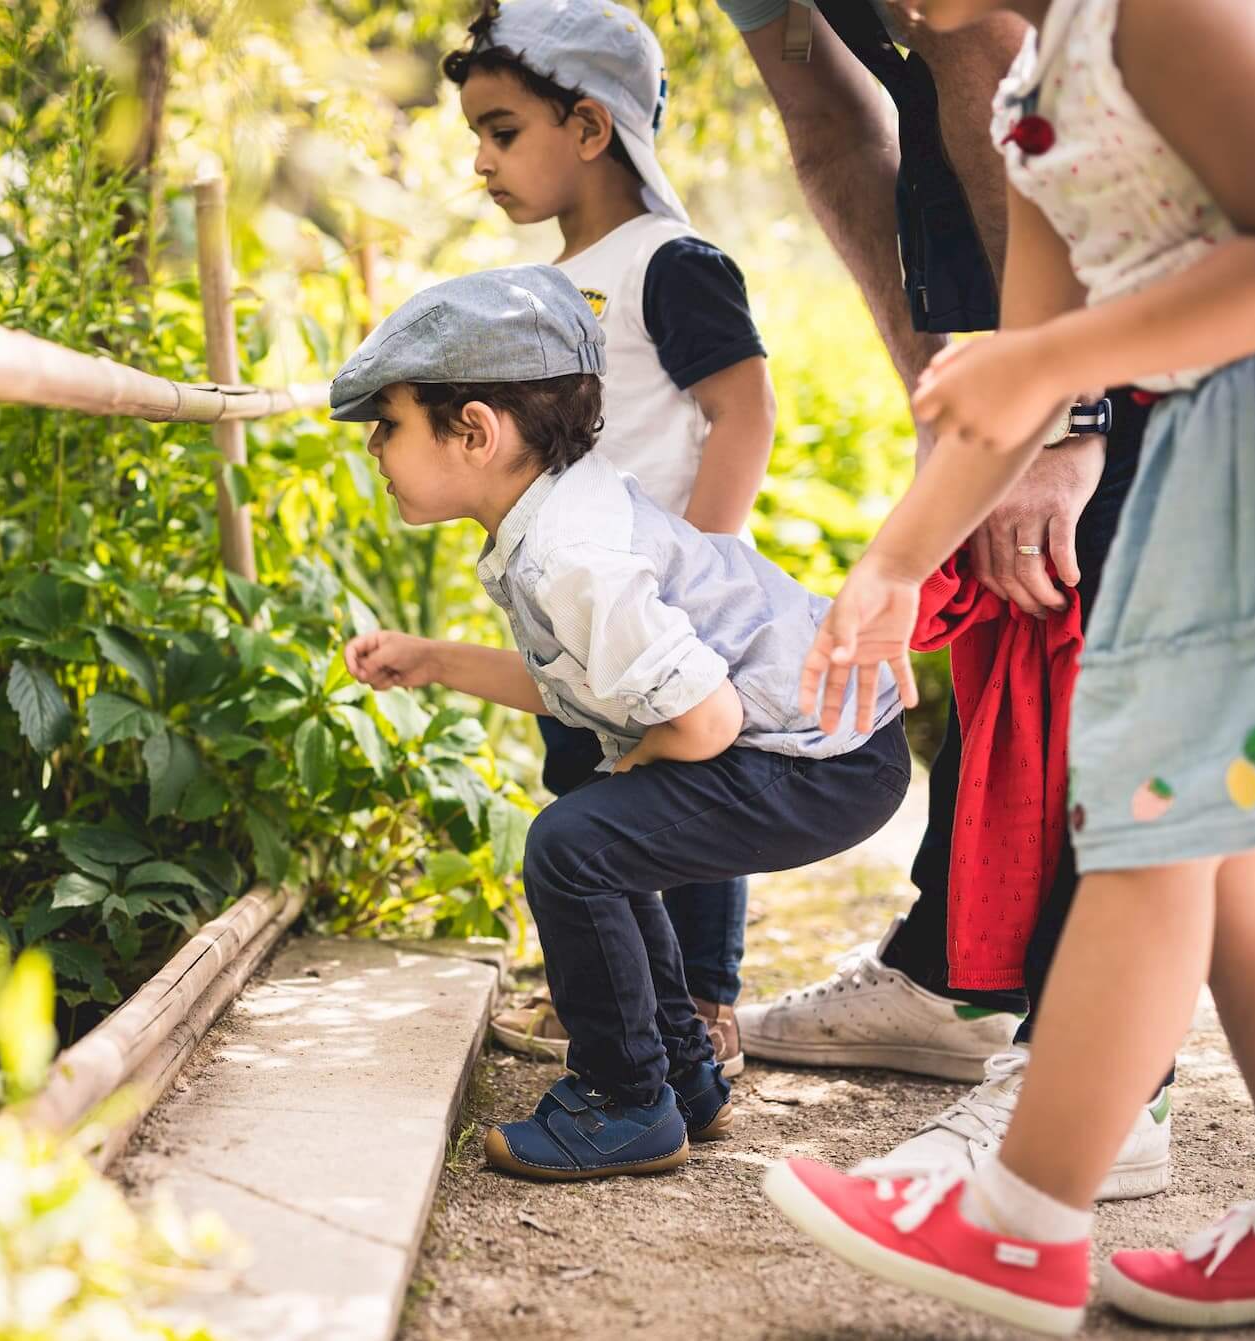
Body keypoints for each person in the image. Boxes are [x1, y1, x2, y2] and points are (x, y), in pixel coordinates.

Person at [765, 0, 1255, 1329]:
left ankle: (1019, 1219)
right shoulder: (1035, 93)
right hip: (1204, 457)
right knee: (1217, 850)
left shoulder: (1161, 17)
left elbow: (1068, 347)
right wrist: (891, 567)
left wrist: (1059, 355)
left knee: (1154, 821)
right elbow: (1023, 381)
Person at [708, 0, 1173, 1199]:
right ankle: (988, 1020)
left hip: (1203, 418)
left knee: (1164, 778)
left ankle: (1092, 1096)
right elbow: (1030, 337)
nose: (894, 19)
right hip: (1139, 366)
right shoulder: (1027, 104)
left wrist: (1076, 415)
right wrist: (907, 549)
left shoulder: (1172, 47)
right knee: (1199, 843)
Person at [331, 264, 910, 1179]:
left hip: (822, 754)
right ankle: (679, 1077)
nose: (374, 448)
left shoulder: (573, 552)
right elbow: (589, 684)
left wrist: (634, 768)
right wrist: (435, 659)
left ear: (474, 431)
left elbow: (708, 718)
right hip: (827, 738)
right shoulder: (558, 514)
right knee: (602, 836)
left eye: (388, 425)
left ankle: (624, 1098)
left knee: (575, 844)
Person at [438, 0, 778, 1074]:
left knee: (691, 802)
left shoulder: (671, 262)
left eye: (502, 131)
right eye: (477, 137)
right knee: (589, 796)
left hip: (662, 599)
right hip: (583, 603)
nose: (482, 163)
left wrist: (702, 565)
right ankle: (620, 995)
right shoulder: (547, 285)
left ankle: (704, 1004)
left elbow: (745, 410)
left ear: (589, 125)